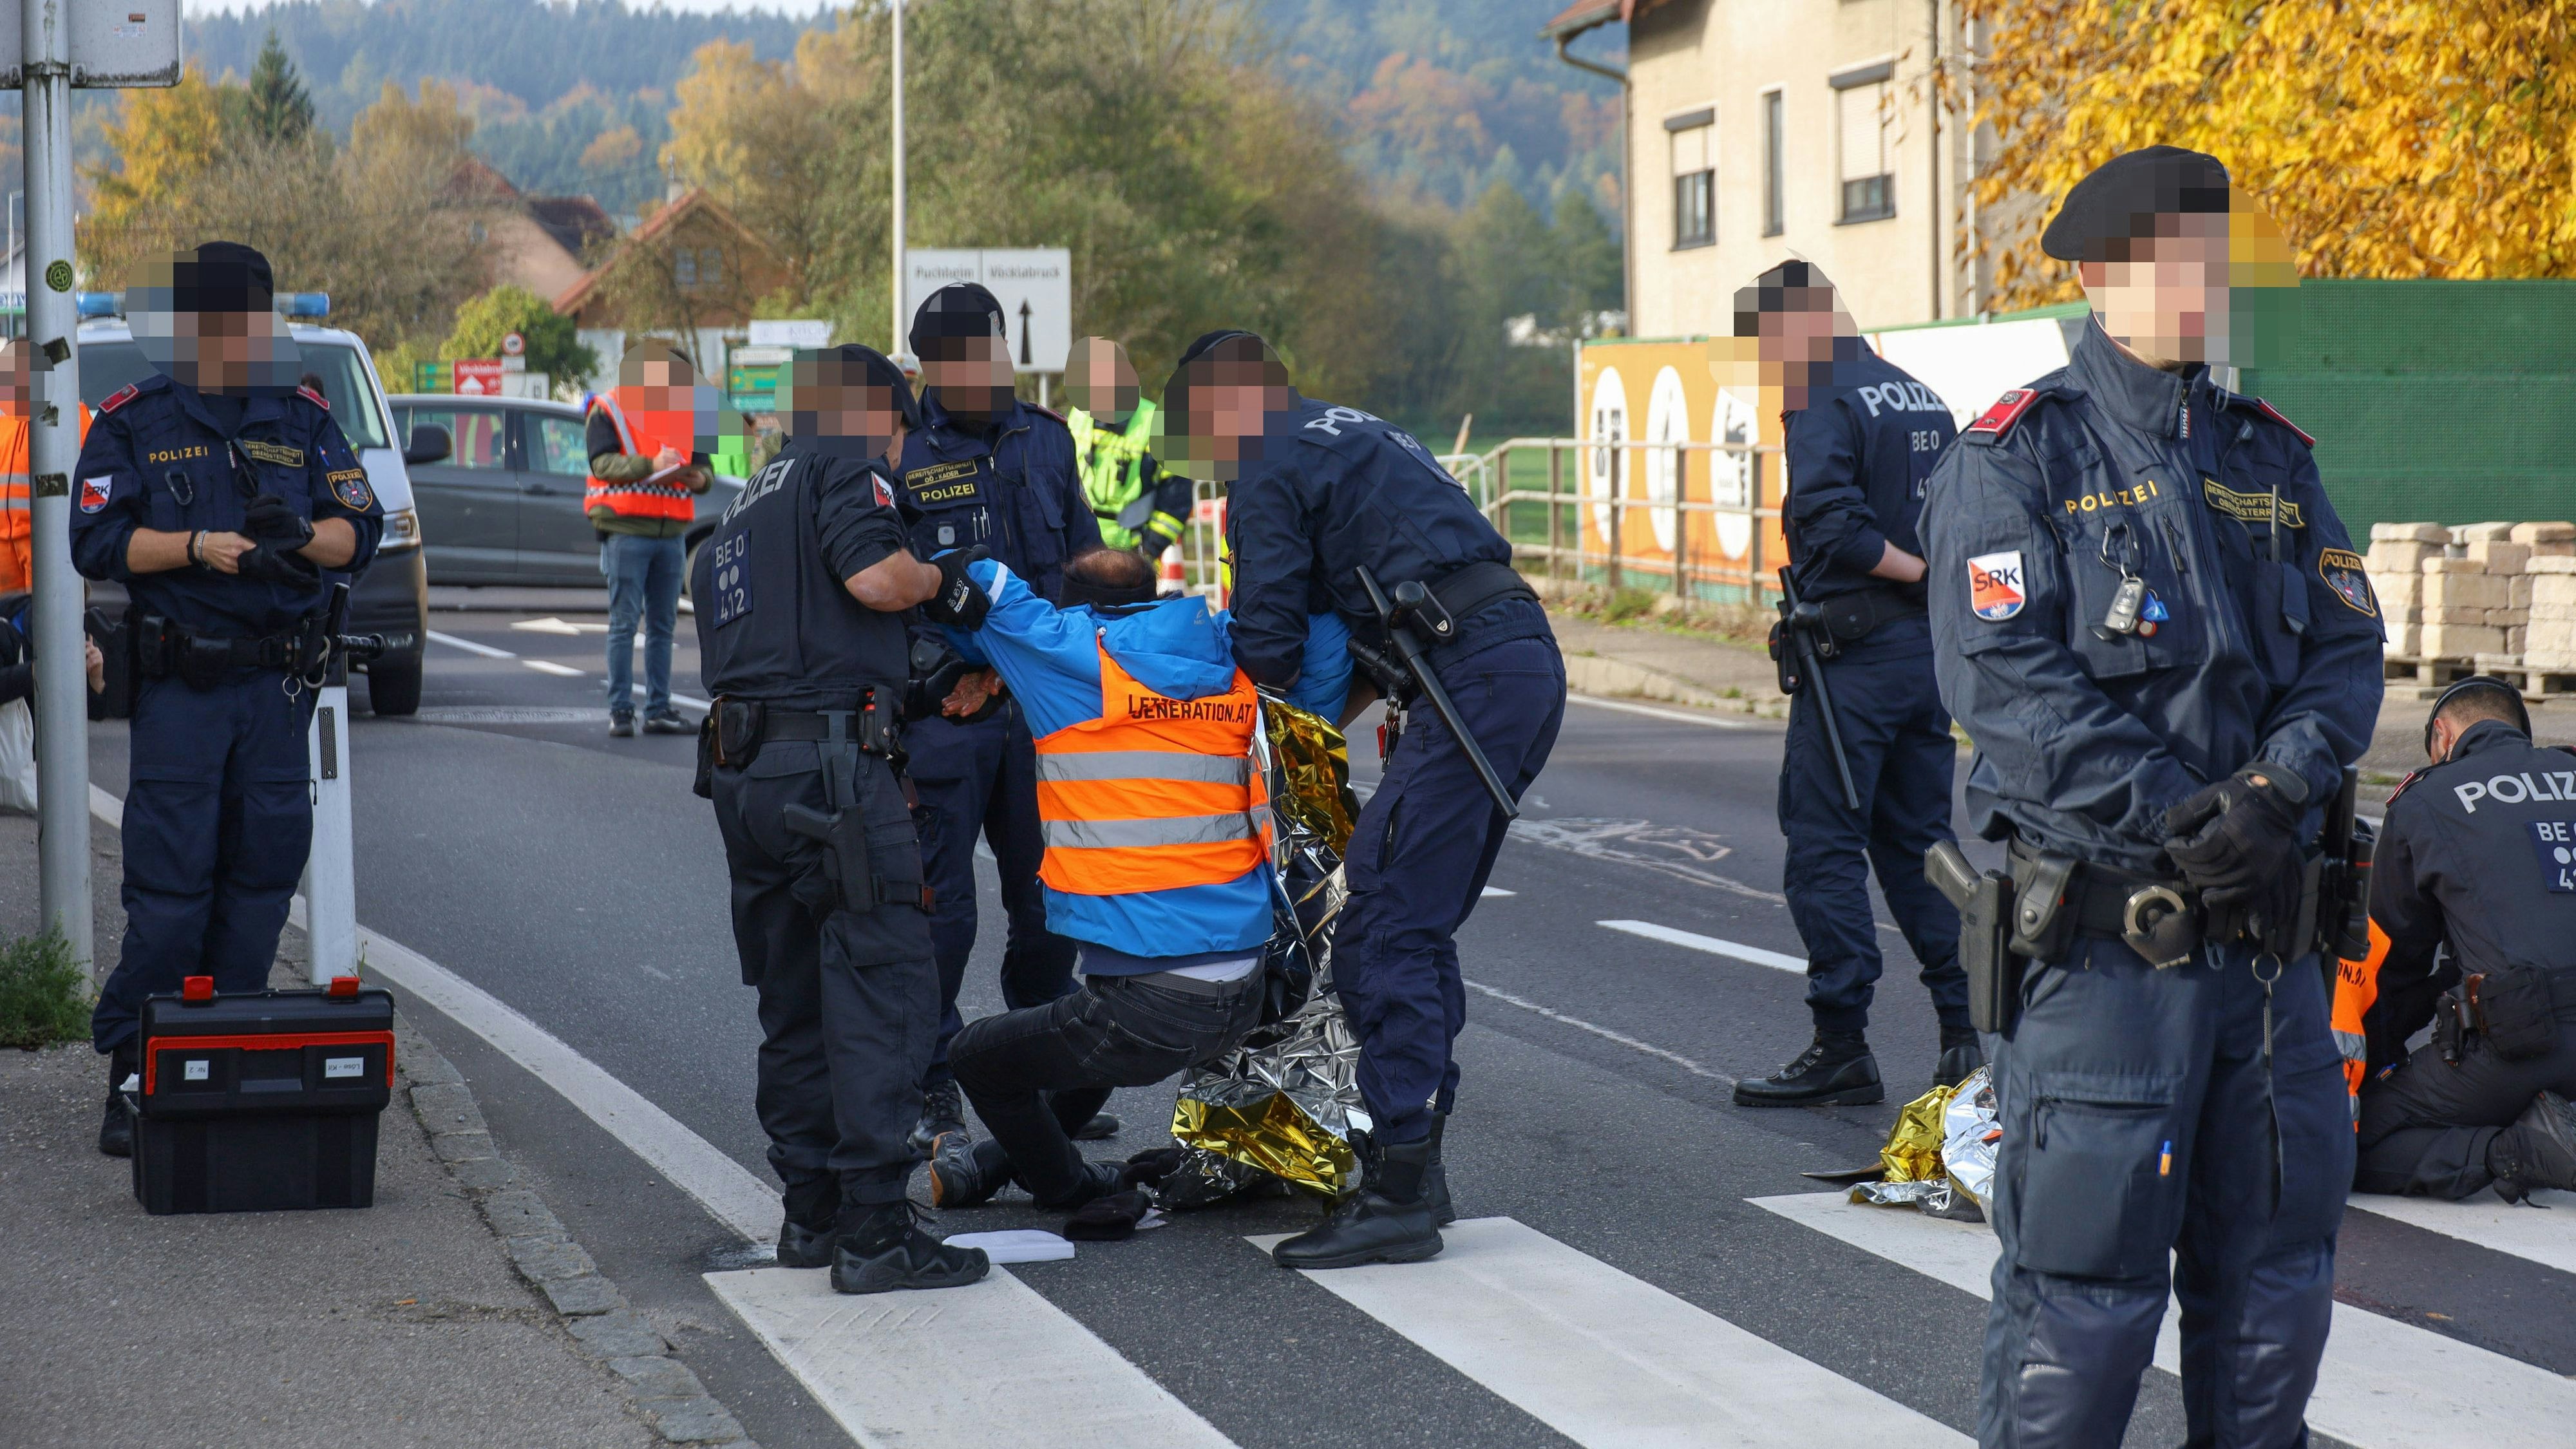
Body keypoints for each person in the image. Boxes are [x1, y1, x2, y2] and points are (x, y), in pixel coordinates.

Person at [1920, 146, 2382, 1447]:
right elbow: (2009, 693)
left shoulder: (2266, 456)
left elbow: (2346, 653)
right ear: (2094, 274)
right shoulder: (2013, 459)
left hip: (2269, 960)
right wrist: (2195, 815)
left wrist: (2271, 794)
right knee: (2084, 1309)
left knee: (2273, 1299)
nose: (2203, 283)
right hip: (2108, 965)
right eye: (2174, 258)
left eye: (2213, 259)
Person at [1166, 330, 1565, 1269]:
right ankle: (1414, 1174)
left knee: (1383, 924)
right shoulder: (1347, 430)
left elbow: (1264, 645)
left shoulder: (1263, 462)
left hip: (1465, 676)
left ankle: (1396, 1192)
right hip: (1506, 658)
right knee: (1412, 921)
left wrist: (1188, 704)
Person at [69, 241, 384, 1157]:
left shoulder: (306, 416)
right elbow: (99, 540)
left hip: (277, 686)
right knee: (171, 889)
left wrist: (304, 539)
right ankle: (136, 1069)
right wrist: (198, 545)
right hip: (185, 688)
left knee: (259, 881)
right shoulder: (136, 418)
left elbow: (355, 529)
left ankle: (225, 1059)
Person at [690, 343, 990, 1294]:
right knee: (884, 985)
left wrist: (915, 681)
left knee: (796, 1000)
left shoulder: (740, 507)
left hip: (748, 776)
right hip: (833, 773)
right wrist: (945, 585)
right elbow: (871, 579)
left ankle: (811, 1215)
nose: (902, 461)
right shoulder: (844, 461)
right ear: (873, 414)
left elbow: (798, 631)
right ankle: (876, 1227)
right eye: (901, 435)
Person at [922, 548, 1283, 1222]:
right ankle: (1000, 1167)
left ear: (1076, 603)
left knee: (976, 1058)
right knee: (1090, 1031)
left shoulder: (1063, 649)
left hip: (1158, 1009)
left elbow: (965, 569)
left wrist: (978, 656)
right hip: (1245, 986)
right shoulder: (1221, 647)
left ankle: (1069, 1189)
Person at [1725, 261, 1975, 1109]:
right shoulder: (1917, 394)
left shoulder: (1822, 394)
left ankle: (1842, 1043)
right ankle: (1963, 1033)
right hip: (1925, 661)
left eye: (1767, 346)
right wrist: (1936, 582)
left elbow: (1832, 522)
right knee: (1919, 843)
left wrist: (1915, 571)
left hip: (1856, 658)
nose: (1770, 366)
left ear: (1796, 325)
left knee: (1825, 842)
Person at [896, 283, 1103, 1151]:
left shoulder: (1046, 442)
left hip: (1043, 717)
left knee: (1051, 907)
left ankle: (1041, 1080)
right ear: (937, 367)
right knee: (942, 914)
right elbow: (883, 591)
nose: (995, 370)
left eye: (999, 351)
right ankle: (931, 1084)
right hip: (947, 712)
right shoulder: (900, 453)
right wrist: (940, 680)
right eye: (974, 357)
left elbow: (1084, 567)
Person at [2338, 677, 2576, 1202]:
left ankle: (2517, 1150)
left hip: (2520, 1044)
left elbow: (2394, 964)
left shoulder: (2428, 799)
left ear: (2443, 737)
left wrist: (2377, 1069)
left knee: (2350, 1141)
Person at [588, 345, 715, 738]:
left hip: (671, 532)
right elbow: (601, 463)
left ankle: (658, 709)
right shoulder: (609, 407)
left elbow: (704, 468)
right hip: (626, 529)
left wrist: (700, 480)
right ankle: (622, 712)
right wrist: (650, 466)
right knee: (624, 624)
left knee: (663, 627)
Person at [1064, 337, 1190, 559]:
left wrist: (1148, 550)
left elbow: (1176, 496)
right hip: (1079, 551)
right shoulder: (1078, 416)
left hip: (1131, 553)